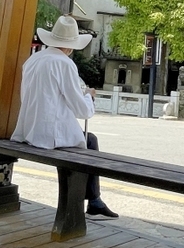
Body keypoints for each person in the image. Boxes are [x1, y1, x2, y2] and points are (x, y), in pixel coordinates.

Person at [11, 15, 118, 219]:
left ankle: (95, 200)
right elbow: (82, 111)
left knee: (89, 141)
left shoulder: (33, 60)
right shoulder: (64, 63)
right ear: (70, 47)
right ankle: (93, 201)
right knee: (90, 142)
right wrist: (89, 97)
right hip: (50, 134)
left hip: (27, 129)